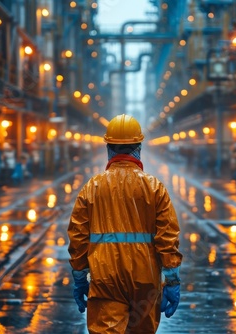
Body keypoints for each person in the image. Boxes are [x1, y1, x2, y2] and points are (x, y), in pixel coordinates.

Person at [68, 114, 183, 333]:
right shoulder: (154, 188)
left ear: (109, 148)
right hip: (145, 279)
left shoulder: (92, 188)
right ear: (138, 147)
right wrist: (172, 280)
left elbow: (78, 237)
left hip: (105, 279)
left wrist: (80, 276)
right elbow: (168, 238)